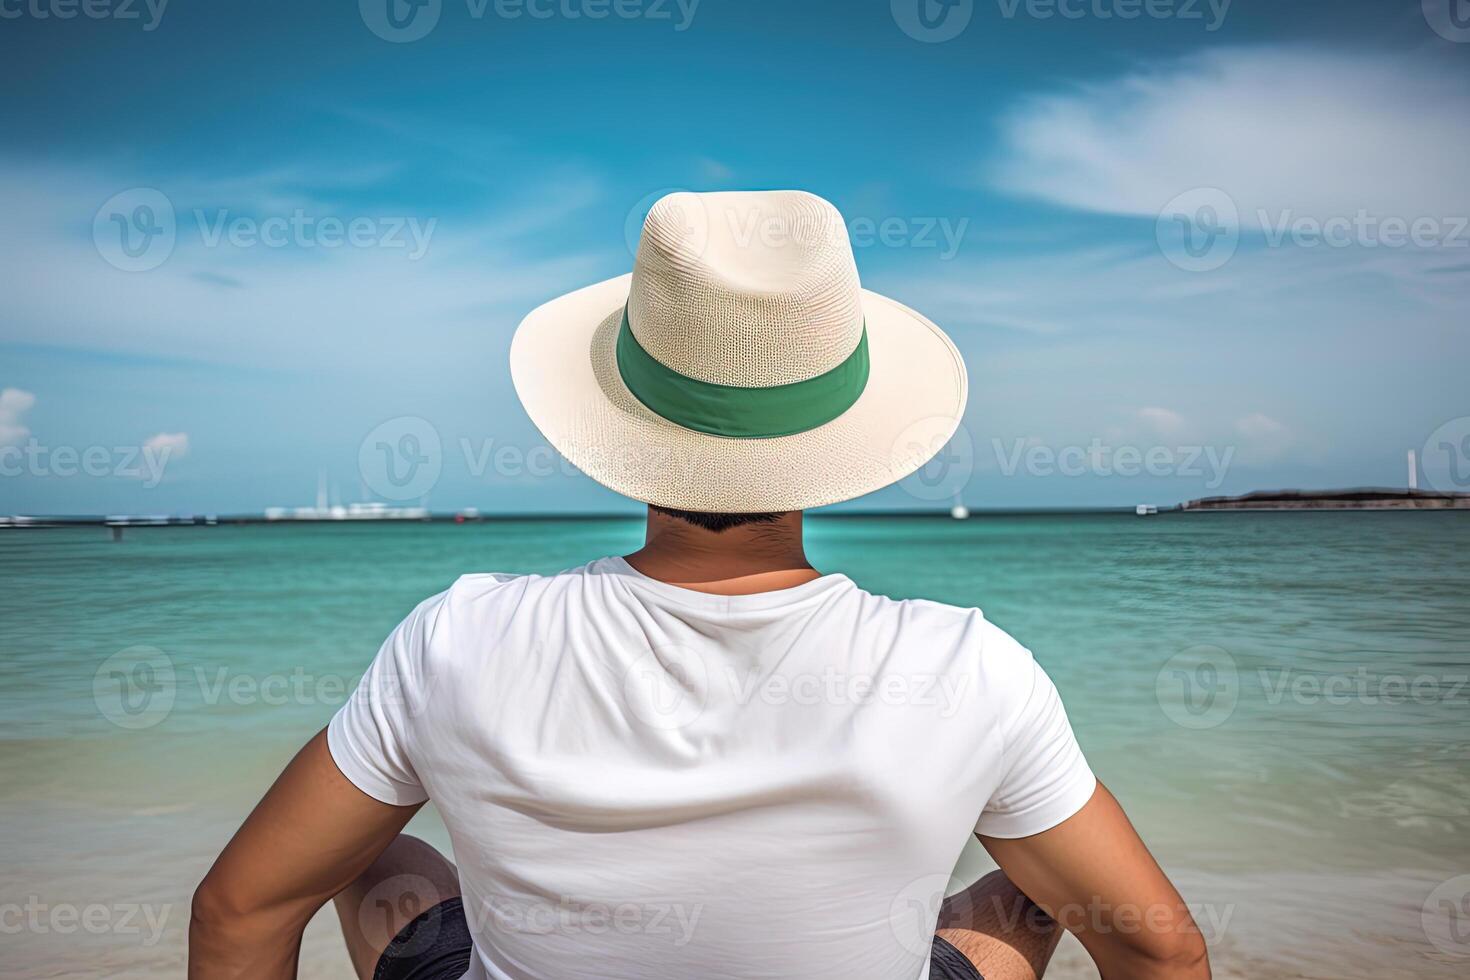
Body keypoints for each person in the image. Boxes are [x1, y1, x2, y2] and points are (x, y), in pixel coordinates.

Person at [190, 191, 1210, 980]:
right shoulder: (971, 666)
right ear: (838, 435)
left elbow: (238, 908)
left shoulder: (456, 636)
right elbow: (1161, 951)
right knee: (1034, 894)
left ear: (624, 417)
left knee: (358, 852)